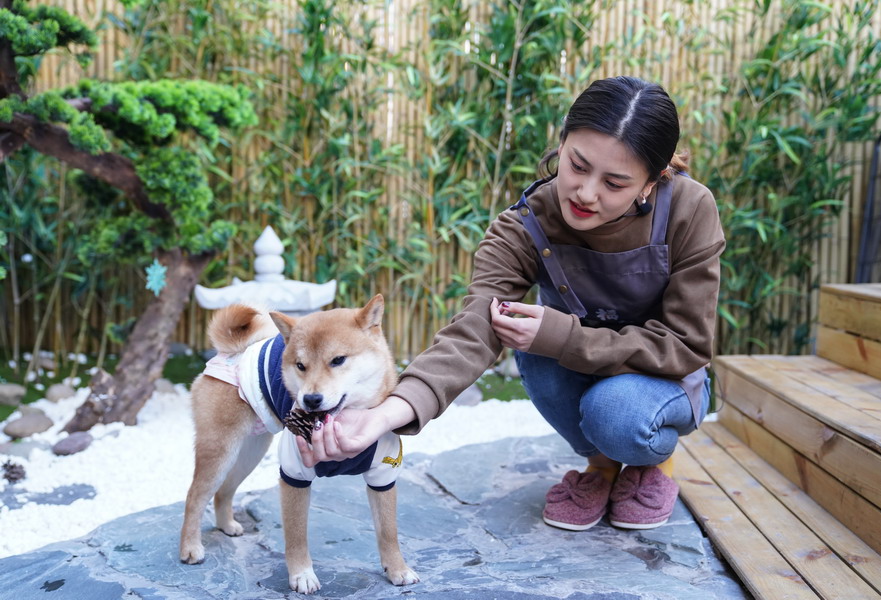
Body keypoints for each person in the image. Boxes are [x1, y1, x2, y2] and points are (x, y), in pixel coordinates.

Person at [298, 76, 725, 531]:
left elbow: (687, 345)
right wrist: (384, 415)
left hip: (664, 383)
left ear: (650, 183)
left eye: (614, 183)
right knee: (530, 348)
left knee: (616, 411)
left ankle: (648, 463)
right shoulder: (525, 225)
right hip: (583, 370)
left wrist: (563, 336)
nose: (586, 193)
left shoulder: (689, 208)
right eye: (577, 165)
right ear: (562, 142)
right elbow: (472, 331)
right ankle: (601, 467)